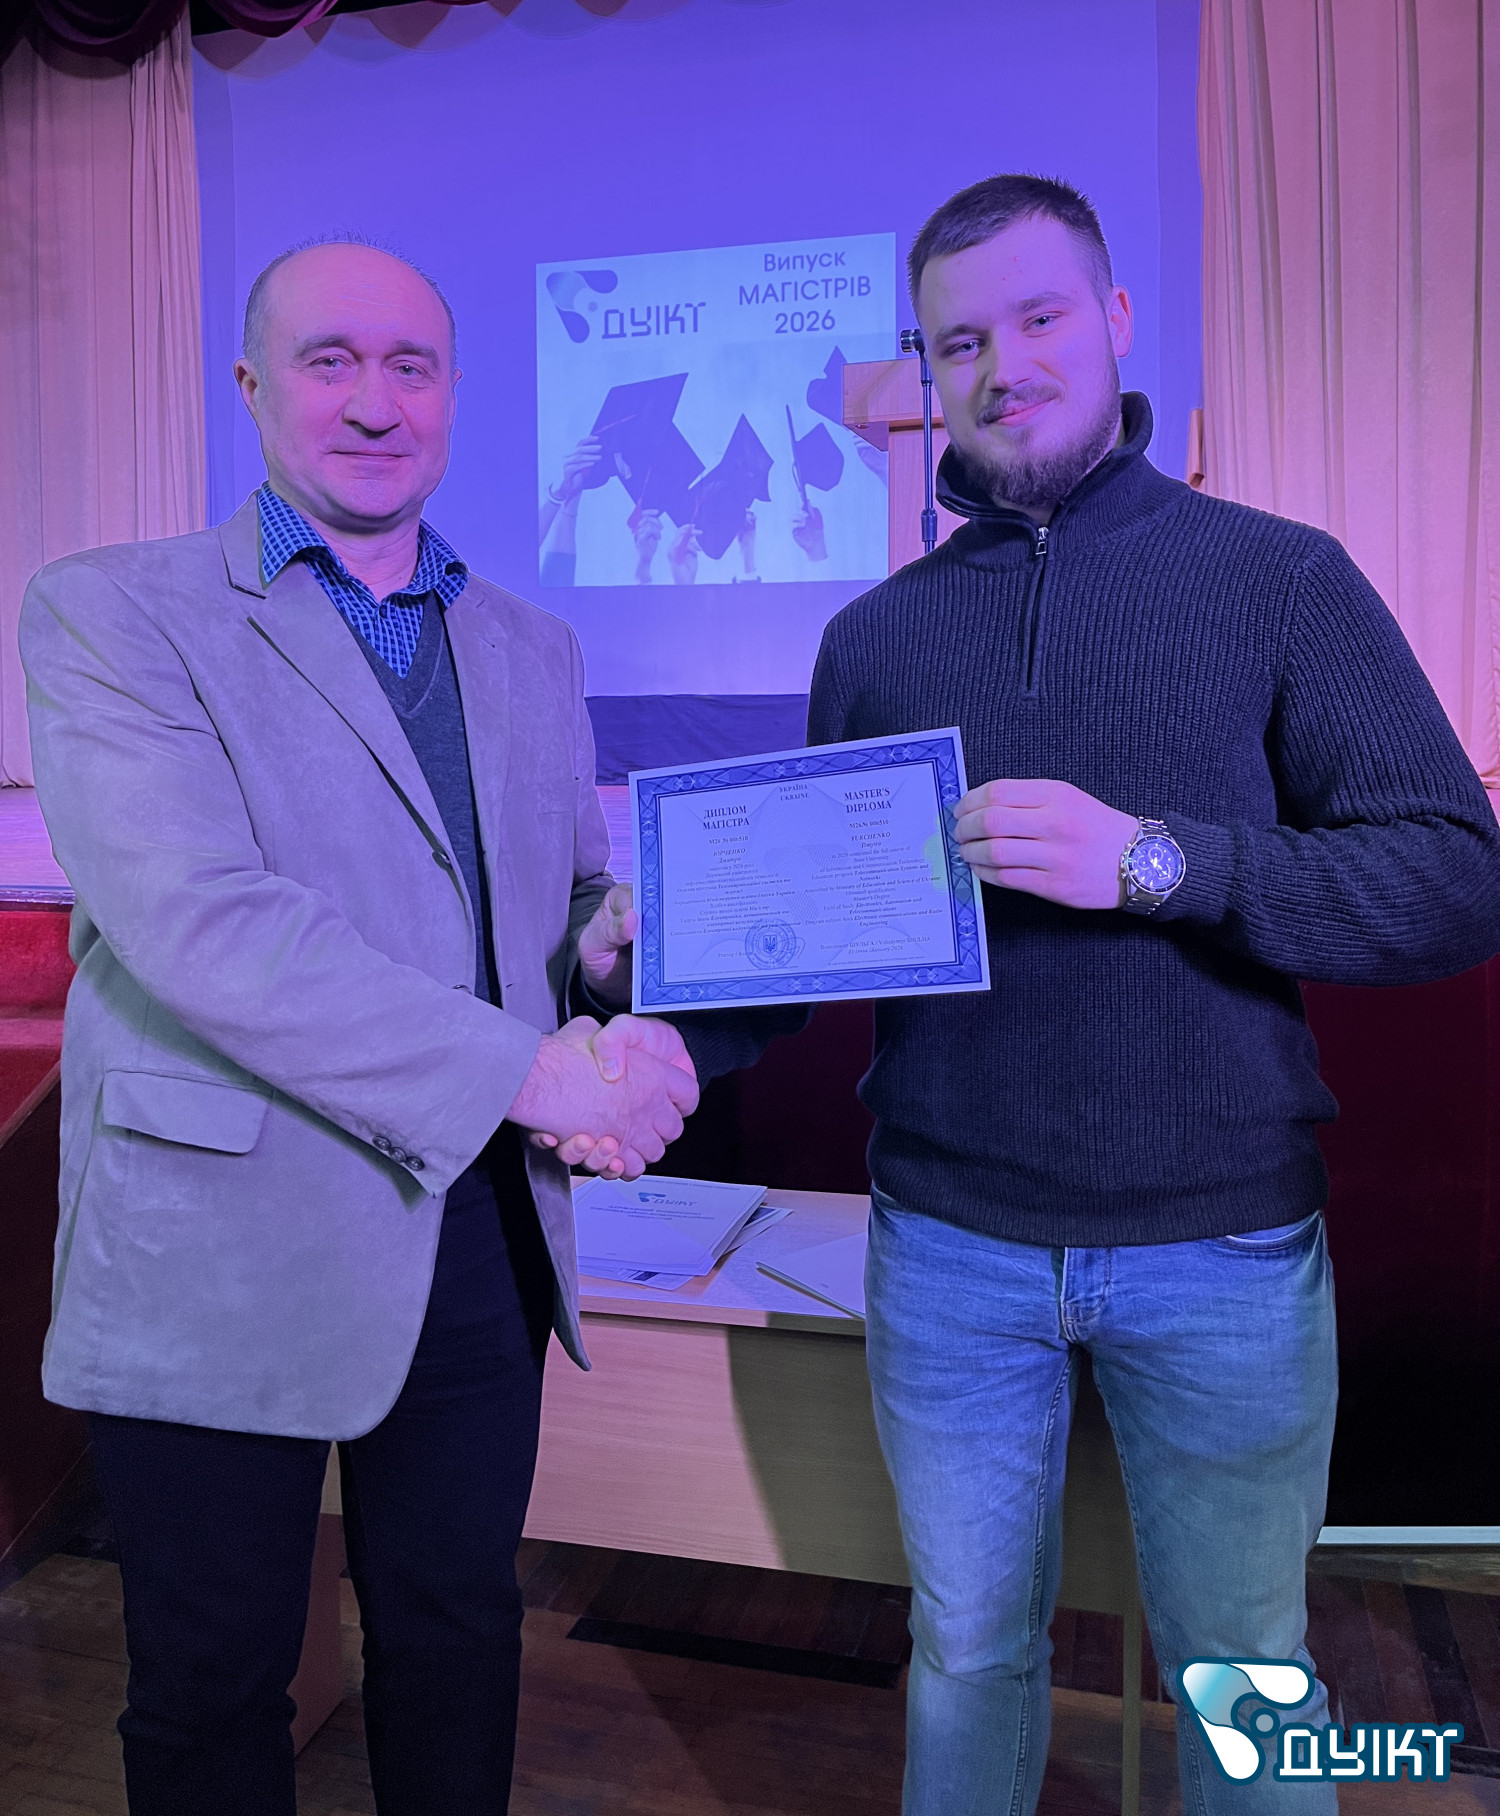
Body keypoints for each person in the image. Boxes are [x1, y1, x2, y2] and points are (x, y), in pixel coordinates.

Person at [594, 174, 1500, 1816]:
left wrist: (1155, 861)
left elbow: (1452, 880)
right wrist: (653, 987)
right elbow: (809, 951)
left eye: (1038, 318)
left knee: (1245, 1666)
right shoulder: (874, 636)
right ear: (926, 374)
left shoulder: (1279, 579)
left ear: (1116, 321)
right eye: (960, 342)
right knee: (966, 1654)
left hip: (1222, 1247)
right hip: (948, 1248)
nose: (1003, 365)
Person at [19, 237, 699, 1816]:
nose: (375, 402)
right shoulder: (112, 613)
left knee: (459, 1641)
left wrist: (616, 958)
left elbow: (560, 900)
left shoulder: (532, 645)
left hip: (475, 1232)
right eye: (330, 362)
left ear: (452, 394)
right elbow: (207, 927)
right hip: (220, 1239)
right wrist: (538, 1072)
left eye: (410, 366)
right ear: (253, 386)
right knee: (211, 1687)